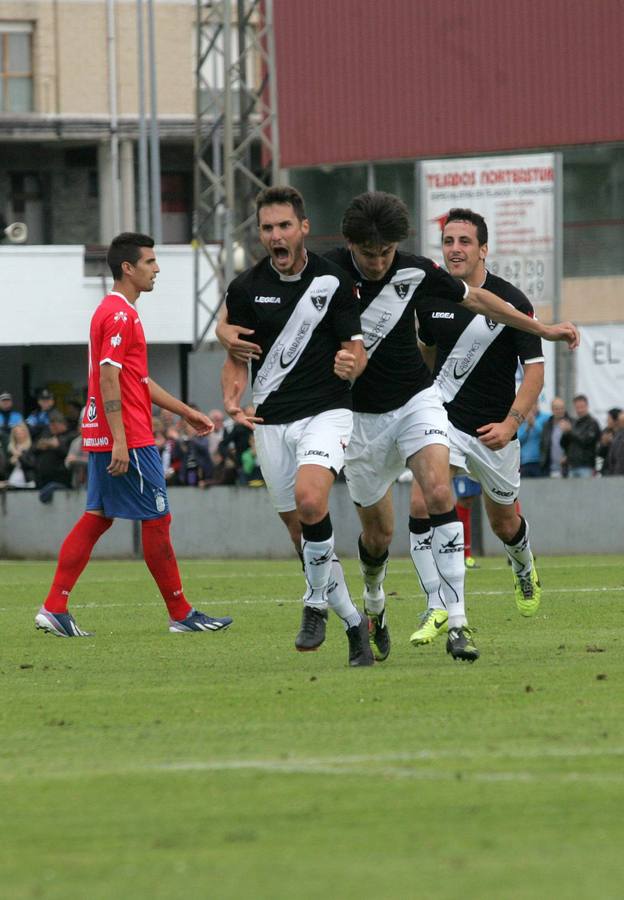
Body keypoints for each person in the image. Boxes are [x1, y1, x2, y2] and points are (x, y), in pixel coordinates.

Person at [219, 192, 579, 664]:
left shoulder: (415, 270)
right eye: (369, 253)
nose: (378, 262)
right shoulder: (326, 273)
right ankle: (374, 604)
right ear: (351, 245)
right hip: (358, 419)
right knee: (378, 537)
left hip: (416, 401)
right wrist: (225, 332)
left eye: (386, 252)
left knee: (437, 491)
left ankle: (457, 622)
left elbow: (482, 301)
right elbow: (247, 309)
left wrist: (543, 328)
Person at [35, 232, 232, 638]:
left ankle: (55, 606)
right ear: (128, 267)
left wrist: (186, 411)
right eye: (150, 261)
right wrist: (121, 439)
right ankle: (180, 612)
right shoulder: (121, 314)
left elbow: (136, 379)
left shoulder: (110, 311)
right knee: (158, 519)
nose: (157, 268)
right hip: (129, 437)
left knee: (97, 518)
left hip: (105, 432)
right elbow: (109, 377)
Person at [219, 185, 373, 666]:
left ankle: (312, 606)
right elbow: (235, 354)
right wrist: (230, 394)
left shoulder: (332, 280)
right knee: (301, 536)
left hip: (326, 411)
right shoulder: (245, 288)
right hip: (269, 422)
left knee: (312, 500)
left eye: (284, 225)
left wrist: (353, 365)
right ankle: (353, 622)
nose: (275, 235)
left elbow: (356, 349)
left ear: (303, 228)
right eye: (267, 228)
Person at [409, 207, 551, 645]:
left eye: (464, 241)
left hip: (493, 430)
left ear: (483, 249)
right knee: (420, 503)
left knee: (504, 523)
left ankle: (523, 566)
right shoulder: (430, 299)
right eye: (448, 241)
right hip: (442, 422)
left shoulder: (512, 302)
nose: (454, 249)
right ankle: (437, 605)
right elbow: (427, 353)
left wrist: (511, 424)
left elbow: (534, 371)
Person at [559, 394, 601, 477]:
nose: (580, 410)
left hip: (586, 466)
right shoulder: (574, 423)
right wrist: (565, 432)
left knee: (586, 490)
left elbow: (586, 440)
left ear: (587, 406)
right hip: (572, 466)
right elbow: (563, 444)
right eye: (577, 407)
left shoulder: (592, 423)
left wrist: (570, 431)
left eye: (582, 407)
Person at [540, 396, 571, 477]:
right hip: (549, 469)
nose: (559, 411)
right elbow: (543, 445)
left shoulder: (571, 423)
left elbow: (574, 445)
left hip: (567, 469)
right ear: (552, 409)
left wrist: (568, 456)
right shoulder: (547, 425)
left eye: (561, 408)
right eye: (556, 408)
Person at [518, 403, 550, 477]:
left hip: (540, 461)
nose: (532, 408)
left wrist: (534, 424)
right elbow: (519, 440)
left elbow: (545, 436)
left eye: (534, 405)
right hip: (525, 462)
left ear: (538, 405)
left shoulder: (546, 418)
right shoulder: (521, 420)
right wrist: (527, 428)